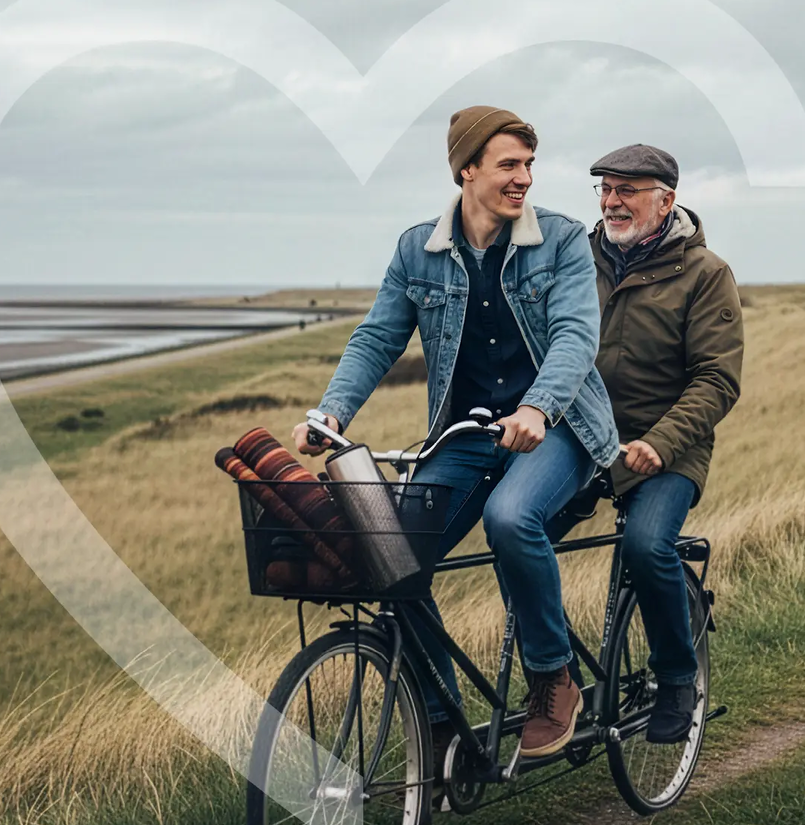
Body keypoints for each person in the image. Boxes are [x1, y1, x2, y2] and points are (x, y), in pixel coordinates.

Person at [295, 106, 621, 759]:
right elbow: (379, 335)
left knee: (510, 518)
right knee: (389, 559)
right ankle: (440, 722)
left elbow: (576, 335)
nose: (524, 177)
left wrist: (537, 407)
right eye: (509, 164)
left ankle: (553, 679)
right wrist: (332, 412)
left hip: (557, 426)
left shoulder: (559, 240)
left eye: (529, 164)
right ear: (467, 170)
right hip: (464, 437)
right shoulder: (419, 249)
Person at [550, 144, 743, 744]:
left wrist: (660, 444)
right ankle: (558, 678)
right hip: (586, 438)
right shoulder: (577, 260)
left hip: (670, 448)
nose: (612, 201)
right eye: (605, 189)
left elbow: (717, 379)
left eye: (627, 189)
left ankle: (678, 680)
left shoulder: (706, 274)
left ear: (667, 199)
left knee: (645, 545)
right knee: (515, 534)